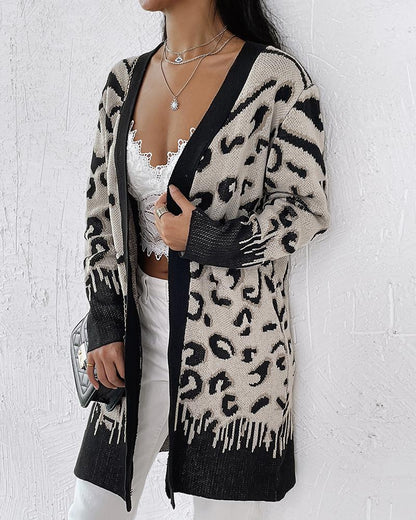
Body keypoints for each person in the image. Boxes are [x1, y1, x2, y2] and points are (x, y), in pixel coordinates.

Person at [68, 0, 330, 518]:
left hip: (235, 351)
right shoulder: (123, 82)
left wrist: (207, 239)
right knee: (91, 507)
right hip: (135, 333)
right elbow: (100, 211)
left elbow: (306, 209)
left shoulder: (275, 80)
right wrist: (105, 319)